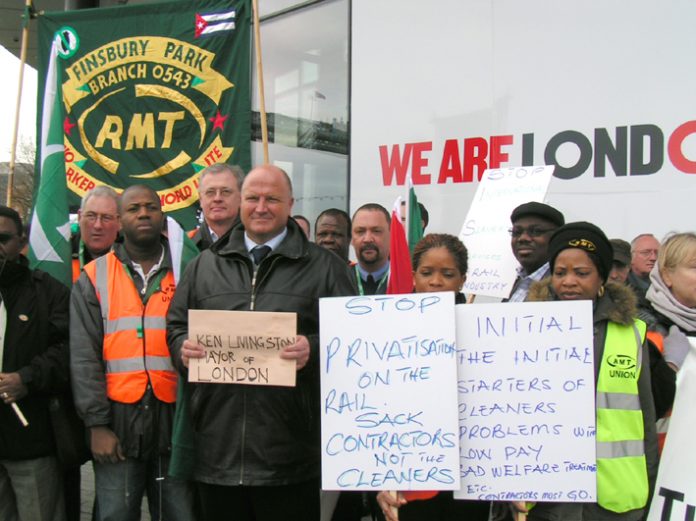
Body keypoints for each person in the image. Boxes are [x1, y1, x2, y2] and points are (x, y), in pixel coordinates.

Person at [167, 164, 356, 521]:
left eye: (273, 199)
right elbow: (177, 325)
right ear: (241, 202)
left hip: (290, 454)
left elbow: (352, 341)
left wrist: (313, 350)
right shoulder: (204, 266)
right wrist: (182, 348)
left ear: (290, 204)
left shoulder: (327, 268)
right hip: (216, 448)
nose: (261, 207)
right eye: (253, 198)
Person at [70, 185, 193, 521]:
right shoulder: (94, 276)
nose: (143, 214)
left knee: (178, 513)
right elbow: (84, 357)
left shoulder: (188, 270)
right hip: (118, 428)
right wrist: (96, 424)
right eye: (133, 208)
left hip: (174, 423)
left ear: (162, 216)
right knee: (115, 514)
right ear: (120, 222)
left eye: (150, 207)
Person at [522, 222, 658, 521]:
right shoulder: (525, 330)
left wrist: (648, 482)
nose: (569, 281)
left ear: (601, 277)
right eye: (560, 272)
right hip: (548, 497)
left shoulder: (632, 333)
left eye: (581, 273)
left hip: (614, 498)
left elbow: (646, 415)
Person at [376, 233, 490, 521]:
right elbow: (375, 407)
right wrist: (377, 476)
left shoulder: (486, 334)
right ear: (414, 276)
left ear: (462, 279)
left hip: (471, 475)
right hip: (411, 477)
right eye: (427, 273)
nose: (436, 282)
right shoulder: (387, 330)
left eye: (447, 274)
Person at [0, 205, 71, 521]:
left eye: (3, 238)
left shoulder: (48, 292)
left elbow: (71, 349)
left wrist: (26, 378)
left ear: (21, 240)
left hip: (29, 441)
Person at [506, 201, 565, 302]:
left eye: (535, 231)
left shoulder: (565, 286)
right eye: (517, 232)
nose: (523, 238)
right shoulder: (518, 281)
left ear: (556, 237)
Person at [191, 163, 244, 250]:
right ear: (200, 199)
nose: (217, 198)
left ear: (241, 197)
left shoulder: (256, 242)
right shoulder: (186, 247)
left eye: (225, 192)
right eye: (210, 192)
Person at [72, 186, 120, 282]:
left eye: (106, 218)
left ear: (120, 222)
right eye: (91, 216)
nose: (98, 225)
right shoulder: (62, 255)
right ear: (79, 217)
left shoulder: (133, 261)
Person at [351, 203, 391, 295]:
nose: (368, 239)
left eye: (376, 231)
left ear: (391, 236)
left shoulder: (405, 280)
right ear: (351, 238)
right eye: (360, 231)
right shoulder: (338, 280)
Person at [628, 233, 660, 309]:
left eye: (657, 253)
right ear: (631, 257)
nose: (653, 258)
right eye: (646, 253)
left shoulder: (669, 287)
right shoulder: (621, 286)